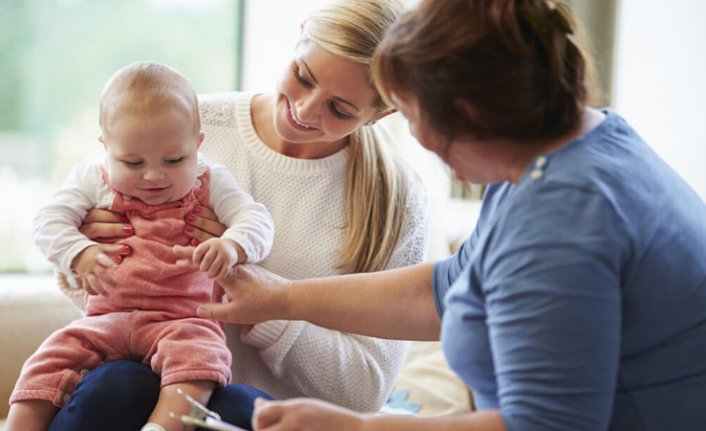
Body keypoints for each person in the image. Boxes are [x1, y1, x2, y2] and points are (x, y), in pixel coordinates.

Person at [191, 0, 706, 430]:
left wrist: (361, 427)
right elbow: (452, 287)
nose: (413, 135)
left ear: (470, 116)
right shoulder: (567, 149)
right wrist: (279, 299)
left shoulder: (564, 222)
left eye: (411, 114)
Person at [46, 1, 429, 430]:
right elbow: (95, 295)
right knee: (117, 384)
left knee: (240, 409)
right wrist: (86, 256)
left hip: (262, 416)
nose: (304, 111)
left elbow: (365, 391)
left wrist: (270, 309)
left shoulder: (395, 199)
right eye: (303, 77)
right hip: (137, 386)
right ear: (298, 35)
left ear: (383, 113)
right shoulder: (185, 125)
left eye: (340, 109)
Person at [6, 61, 275, 431]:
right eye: (132, 162)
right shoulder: (92, 180)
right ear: (106, 148)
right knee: (50, 357)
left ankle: (162, 425)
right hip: (105, 318)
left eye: (174, 159)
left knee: (201, 357)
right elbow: (47, 222)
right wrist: (78, 252)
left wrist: (233, 245)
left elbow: (257, 220)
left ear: (197, 145)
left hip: (181, 320)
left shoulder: (212, 181)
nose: (153, 175)